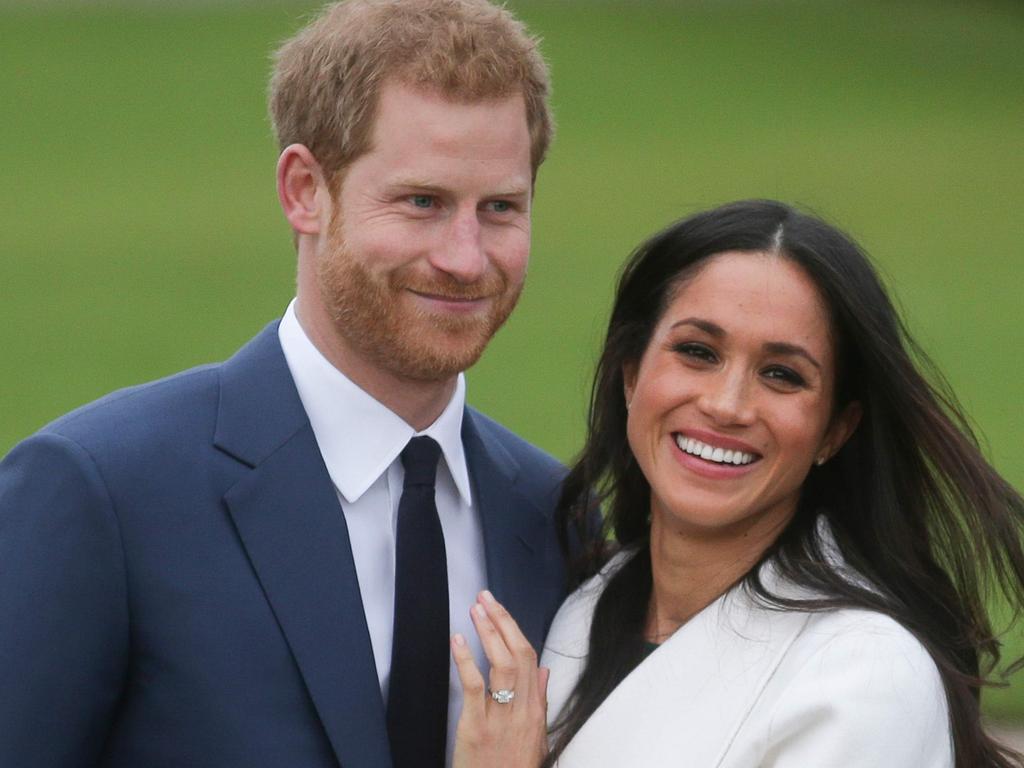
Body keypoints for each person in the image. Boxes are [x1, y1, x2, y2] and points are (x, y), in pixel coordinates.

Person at [0, 1, 569, 767]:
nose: (466, 258)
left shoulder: (557, 518)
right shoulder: (100, 492)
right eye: (422, 202)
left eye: (499, 208)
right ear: (305, 190)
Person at [449, 200, 1024, 768]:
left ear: (836, 430)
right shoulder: (585, 602)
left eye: (782, 375)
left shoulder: (863, 676)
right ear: (632, 375)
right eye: (697, 352)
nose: (726, 406)